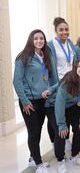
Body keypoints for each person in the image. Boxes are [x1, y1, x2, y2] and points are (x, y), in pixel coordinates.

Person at [13, 29, 53, 173]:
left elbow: (46, 77)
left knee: (38, 129)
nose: (39, 41)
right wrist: (24, 101)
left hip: (43, 99)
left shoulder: (44, 56)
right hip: (30, 101)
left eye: (41, 38)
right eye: (36, 38)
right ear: (31, 40)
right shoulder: (23, 57)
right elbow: (16, 81)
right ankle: (39, 163)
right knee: (34, 131)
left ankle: (32, 158)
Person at [54, 58, 80, 172]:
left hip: (72, 106)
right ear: (75, 68)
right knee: (61, 133)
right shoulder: (68, 82)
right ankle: (60, 160)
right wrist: (61, 124)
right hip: (58, 107)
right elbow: (59, 104)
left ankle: (74, 156)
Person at [47, 17, 77, 152]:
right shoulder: (50, 45)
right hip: (57, 82)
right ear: (55, 31)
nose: (64, 32)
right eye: (61, 30)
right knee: (55, 113)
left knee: (67, 111)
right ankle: (55, 141)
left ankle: (65, 139)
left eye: (66, 29)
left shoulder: (70, 43)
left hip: (70, 82)